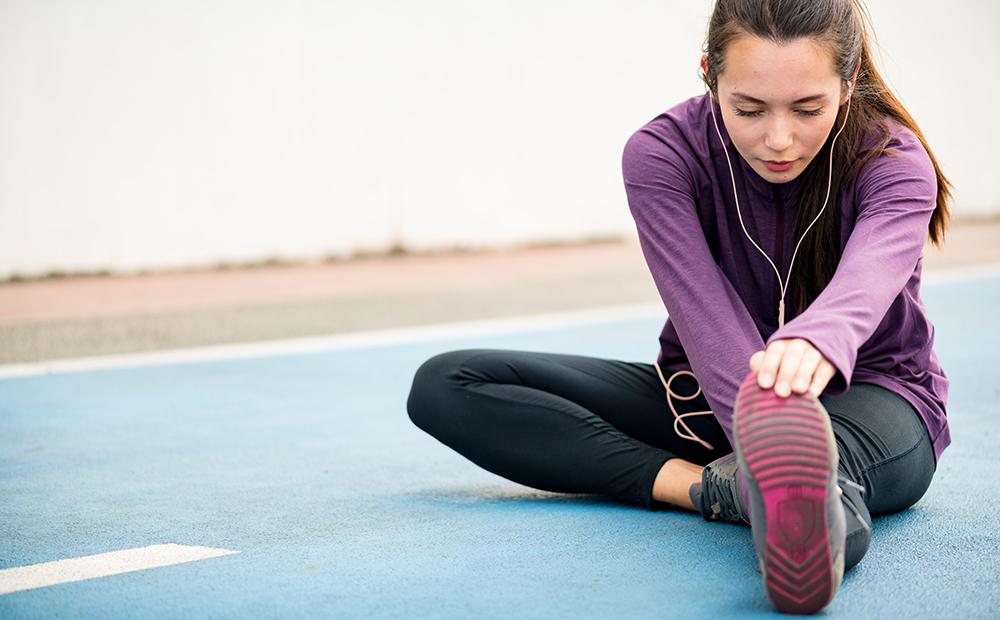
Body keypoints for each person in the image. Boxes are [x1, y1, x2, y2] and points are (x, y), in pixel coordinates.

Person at [406, 0, 953, 613]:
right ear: (708, 74)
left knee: (805, 477)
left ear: (849, 83)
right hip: (706, 400)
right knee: (448, 384)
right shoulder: (662, 155)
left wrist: (815, 342)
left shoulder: (893, 162)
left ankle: (793, 503)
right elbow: (704, 316)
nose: (778, 139)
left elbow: (866, 280)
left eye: (808, 109)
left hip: (874, 400)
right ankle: (708, 488)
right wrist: (758, 420)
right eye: (748, 109)